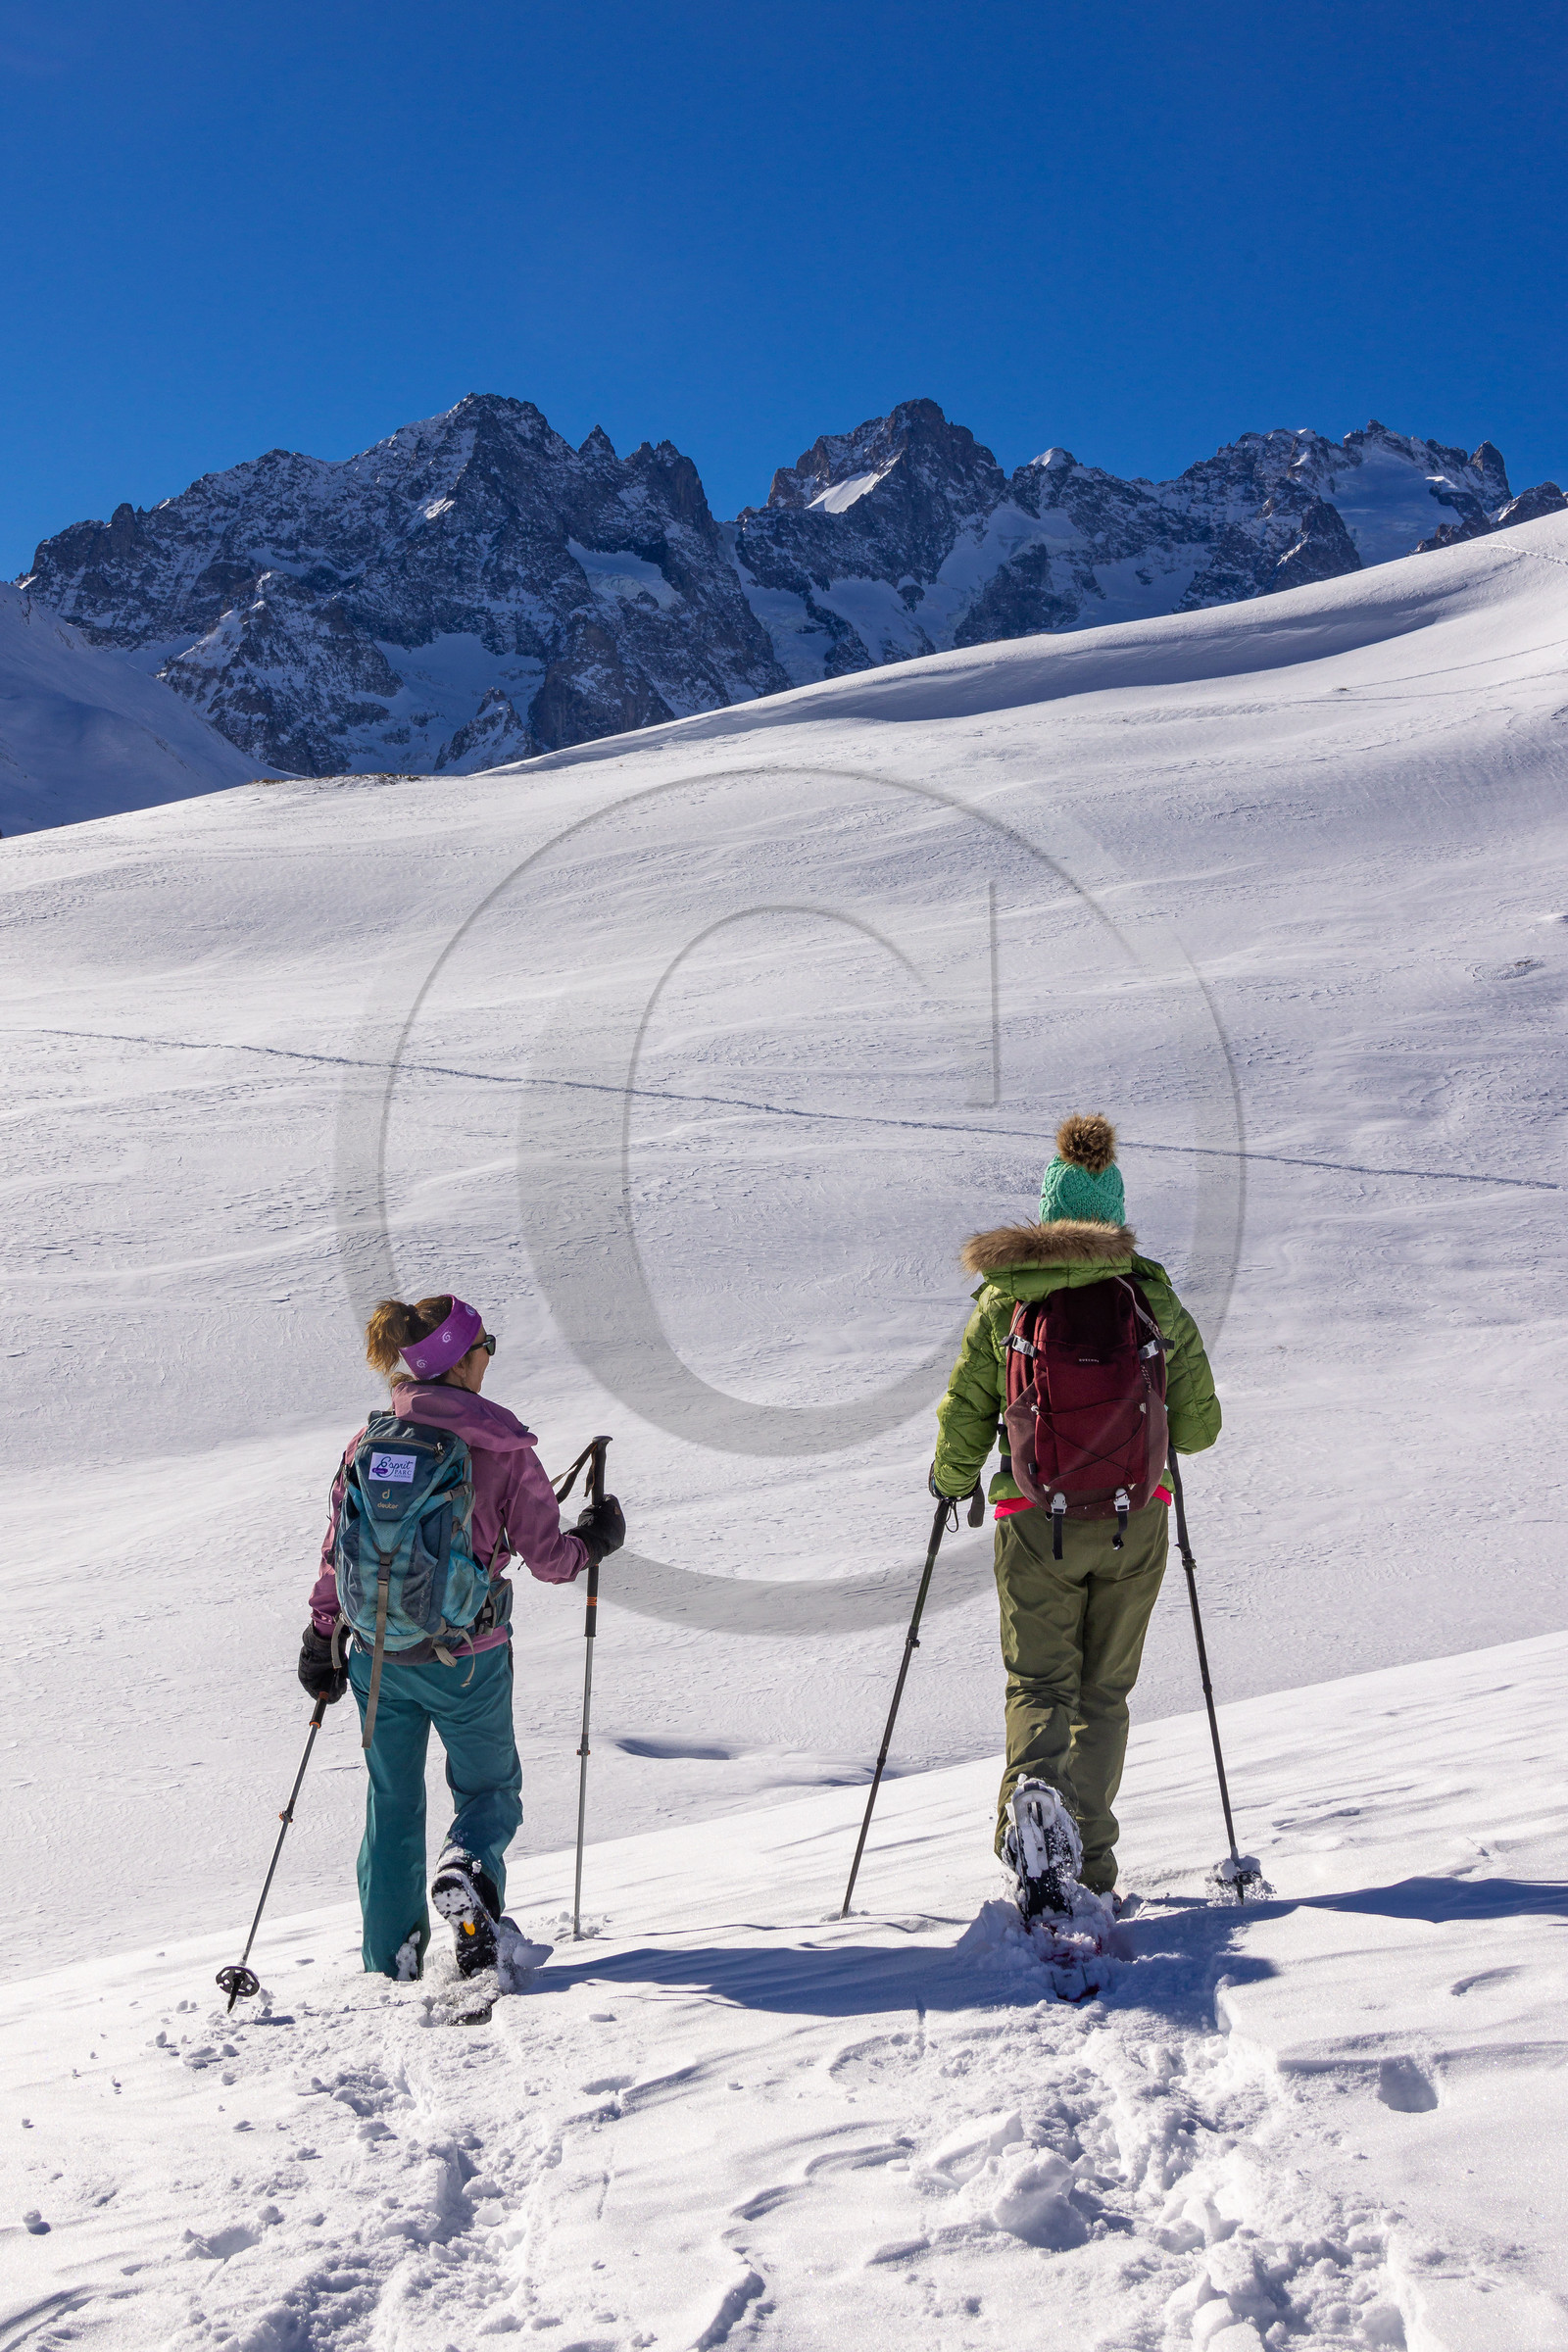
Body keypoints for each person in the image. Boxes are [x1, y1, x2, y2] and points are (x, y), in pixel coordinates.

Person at [931, 1114, 1219, 1913]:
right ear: (1114, 1216)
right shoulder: (1149, 1297)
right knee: (1104, 1694)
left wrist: (951, 1480)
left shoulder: (1005, 1303)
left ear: (1047, 1215)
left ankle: (1032, 1815)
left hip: (1034, 1522)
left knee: (1039, 1683)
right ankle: (1090, 1863)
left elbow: (964, 1415)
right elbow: (1201, 1429)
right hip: (1136, 1521)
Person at [298, 1294, 624, 1982]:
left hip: (376, 1659)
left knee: (391, 1801)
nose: (490, 1357)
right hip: (468, 1659)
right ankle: (467, 1871)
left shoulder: (371, 1441)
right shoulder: (502, 1448)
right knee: (488, 1790)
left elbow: (339, 1547)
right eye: (486, 1346)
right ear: (460, 1359)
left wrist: (321, 1633)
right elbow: (549, 1561)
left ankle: (391, 1959)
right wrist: (595, 1539)